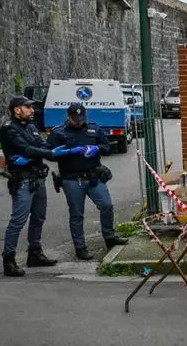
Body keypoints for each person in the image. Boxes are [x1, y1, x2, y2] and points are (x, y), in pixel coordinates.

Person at [0, 96, 84, 277]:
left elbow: (41, 145)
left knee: (39, 217)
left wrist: (60, 150)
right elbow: (27, 149)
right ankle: (9, 259)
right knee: (18, 220)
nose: (32, 110)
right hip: (22, 180)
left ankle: (35, 253)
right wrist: (49, 152)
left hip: (37, 177)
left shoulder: (31, 126)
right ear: (17, 110)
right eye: (28, 107)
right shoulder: (9, 129)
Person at [48, 103, 128, 260]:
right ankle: (80, 247)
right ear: (68, 117)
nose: (78, 121)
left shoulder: (94, 129)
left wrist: (97, 148)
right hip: (71, 179)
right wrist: (66, 152)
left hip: (93, 176)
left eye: (81, 118)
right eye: (75, 119)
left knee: (106, 205)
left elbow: (107, 147)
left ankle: (110, 237)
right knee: (77, 214)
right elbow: (49, 153)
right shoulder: (59, 132)